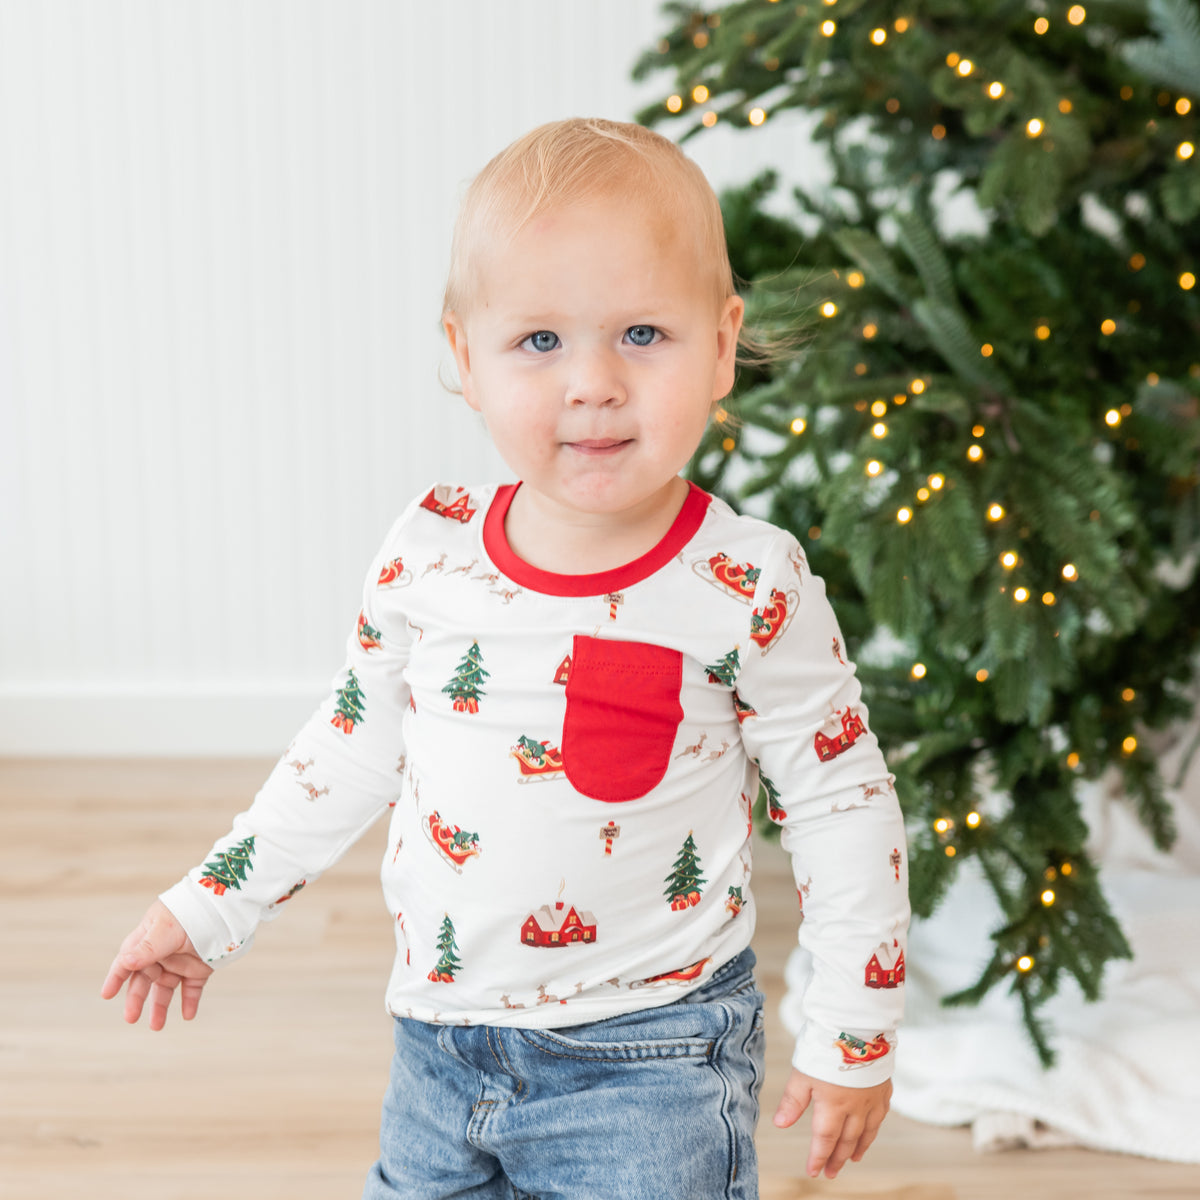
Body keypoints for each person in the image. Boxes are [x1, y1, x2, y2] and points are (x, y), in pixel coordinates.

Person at [101, 117, 909, 1199]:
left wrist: (854, 1020)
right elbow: (345, 755)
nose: (592, 384)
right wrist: (210, 905)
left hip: (650, 1064)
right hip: (436, 1047)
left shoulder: (747, 582)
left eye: (642, 335)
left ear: (722, 346)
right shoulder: (427, 551)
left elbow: (840, 794)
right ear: (463, 358)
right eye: (540, 342)